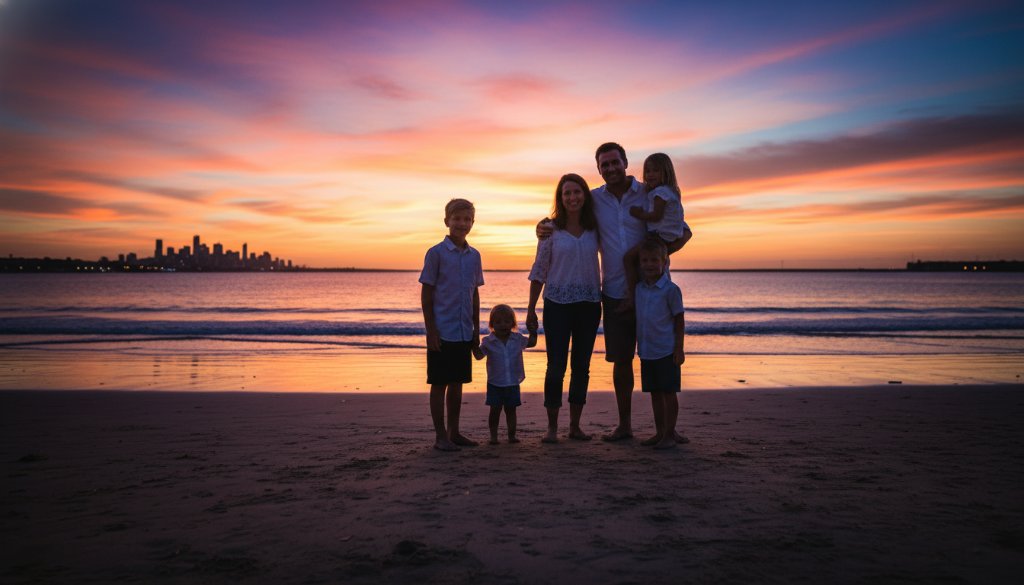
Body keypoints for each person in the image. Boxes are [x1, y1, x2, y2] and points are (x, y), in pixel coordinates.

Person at [537, 143, 692, 442]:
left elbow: (683, 229)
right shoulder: (594, 199)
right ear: (598, 169)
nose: (610, 168)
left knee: (660, 358)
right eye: (604, 165)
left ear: (625, 162)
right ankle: (625, 426)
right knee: (621, 361)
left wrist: (660, 254)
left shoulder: (648, 192)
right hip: (614, 291)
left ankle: (667, 429)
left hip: (653, 291)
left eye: (614, 162)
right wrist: (542, 226)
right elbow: (567, 212)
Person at [527, 173, 602, 443]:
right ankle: (552, 428)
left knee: (581, 366)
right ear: (560, 198)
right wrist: (531, 308)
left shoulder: (595, 228)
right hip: (556, 304)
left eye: (577, 192)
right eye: (567, 193)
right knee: (555, 367)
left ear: (585, 195)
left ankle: (575, 426)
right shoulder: (550, 230)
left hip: (590, 304)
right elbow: (540, 269)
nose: (572, 197)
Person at [420, 198, 484, 451]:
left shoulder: (474, 256)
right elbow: (427, 293)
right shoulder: (436, 253)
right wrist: (431, 331)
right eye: (457, 219)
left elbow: (474, 294)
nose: (462, 223)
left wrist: (476, 330)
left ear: (472, 223)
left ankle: (454, 432)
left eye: (467, 219)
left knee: (457, 383)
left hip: (463, 331)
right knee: (439, 383)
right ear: (447, 221)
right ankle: (440, 437)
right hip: (442, 331)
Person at [634, 238, 687, 449]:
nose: (649, 264)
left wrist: (679, 349)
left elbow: (679, 319)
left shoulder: (670, 290)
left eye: (654, 260)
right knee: (655, 393)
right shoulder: (639, 289)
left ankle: (669, 434)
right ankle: (660, 432)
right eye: (645, 260)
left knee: (668, 392)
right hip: (647, 351)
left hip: (666, 350)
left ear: (664, 262)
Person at [621, 152, 688, 307]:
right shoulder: (671, 192)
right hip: (669, 235)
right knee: (655, 265)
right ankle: (659, 296)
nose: (650, 175)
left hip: (659, 236)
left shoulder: (660, 193)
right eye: (648, 171)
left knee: (629, 258)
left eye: (655, 171)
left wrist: (639, 214)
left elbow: (656, 216)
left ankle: (632, 295)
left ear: (666, 172)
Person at [473, 304, 538, 444]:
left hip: (513, 382)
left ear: (513, 324)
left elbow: (532, 343)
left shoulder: (517, 339)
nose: (503, 325)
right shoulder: (488, 341)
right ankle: (493, 437)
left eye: (507, 321)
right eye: (498, 322)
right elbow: (478, 356)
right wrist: (473, 342)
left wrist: (533, 331)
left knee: (511, 411)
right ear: (492, 325)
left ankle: (511, 436)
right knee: (495, 411)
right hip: (495, 383)